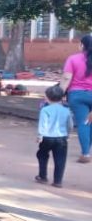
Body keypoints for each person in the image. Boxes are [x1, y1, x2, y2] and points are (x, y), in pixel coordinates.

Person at [60, 34, 92, 163]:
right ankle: (87, 151)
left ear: (82, 45)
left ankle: (85, 153)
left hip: (77, 95)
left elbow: (66, 78)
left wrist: (58, 94)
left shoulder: (73, 59)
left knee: (84, 123)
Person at [35, 84, 71, 188]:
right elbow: (70, 124)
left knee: (42, 155)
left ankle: (42, 176)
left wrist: (40, 135)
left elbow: (43, 123)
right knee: (60, 159)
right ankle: (58, 181)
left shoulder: (45, 110)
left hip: (47, 137)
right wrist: (68, 135)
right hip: (62, 137)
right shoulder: (66, 110)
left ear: (48, 98)